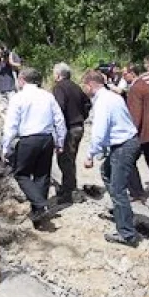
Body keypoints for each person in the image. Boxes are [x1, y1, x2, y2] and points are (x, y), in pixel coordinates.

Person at [81, 70, 142, 247]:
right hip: (127, 142)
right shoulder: (112, 97)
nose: (84, 89)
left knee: (118, 188)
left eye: (85, 86)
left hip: (123, 146)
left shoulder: (103, 102)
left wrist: (90, 155)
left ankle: (127, 234)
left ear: (90, 85)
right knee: (106, 171)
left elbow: (99, 133)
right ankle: (121, 212)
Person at [1, 68, 67, 227]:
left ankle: (40, 204)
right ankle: (39, 213)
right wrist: (60, 141)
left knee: (21, 174)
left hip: (28, 139)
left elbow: (11, 124)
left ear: (22, 80)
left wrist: (5, 146)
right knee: (42, 174)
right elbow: (59, 120)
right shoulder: (47, 96)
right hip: (46, 138)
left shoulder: (18, 98)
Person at [52, 62, 91, 205]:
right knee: (70, 158)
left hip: (68, 128)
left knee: (65, 160)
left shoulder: (59, 88)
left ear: (58, 75)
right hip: (79, 126)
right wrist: (82, 116)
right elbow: (88, 104)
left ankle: (68, 192)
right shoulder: (76, 87)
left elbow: (59, 108)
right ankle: (67, 187)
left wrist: (57, 129)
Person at [125, 71, 149, 203]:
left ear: (132, 73)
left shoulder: (136, 88)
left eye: (125, 74)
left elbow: (135, 113)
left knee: (127, 161)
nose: (124, 77)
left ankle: (136, 192)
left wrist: (130, 132)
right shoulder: (146, 85)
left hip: (143, 132)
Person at [0, 42, 22, 111]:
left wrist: (10, 62)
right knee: (4, 111)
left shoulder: (12, 55)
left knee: (14, 109)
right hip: (2, 89)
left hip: (12, 88)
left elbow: (19, 66)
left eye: (2, 48)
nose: (1, 51)